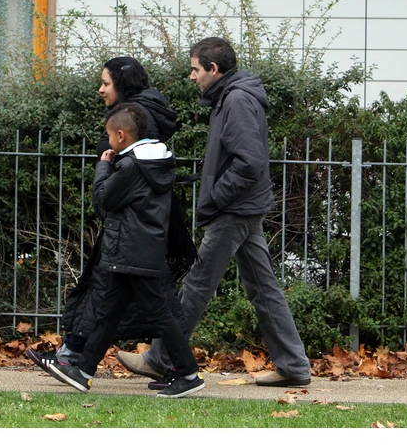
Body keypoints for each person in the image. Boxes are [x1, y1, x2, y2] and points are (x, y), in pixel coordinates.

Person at [115, 37, 313, 387]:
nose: (191, 76)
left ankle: (161, 357)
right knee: (263, 288)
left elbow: (249, 162)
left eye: (194, 69)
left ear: (213, 69)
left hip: (234, 209)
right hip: (242, 207)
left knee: (197, 283)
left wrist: (216, 197)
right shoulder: (231, 97)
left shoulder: (236, 100)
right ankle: (294, 364)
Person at [26, 57, 193, 380]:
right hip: (135, 234)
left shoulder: (134, 131)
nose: (101, 89)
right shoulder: (143, 123)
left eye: (105, 82)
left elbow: (108, 196)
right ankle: (81, 363)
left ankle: (182, 371)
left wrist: (104, 168)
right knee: (112, 302)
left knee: (127, 301)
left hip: (131, 235)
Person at [45, 103, 204, 398]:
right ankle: (83, 371)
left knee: (159, 314)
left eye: (108, 135)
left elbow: (105, 198)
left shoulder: (131, 166)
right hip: (135, 251)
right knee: (108, 311)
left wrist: (104, 165)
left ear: (121, 135)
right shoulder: (155, 160)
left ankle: (188, 373)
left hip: (133, 252)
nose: (107, 142)